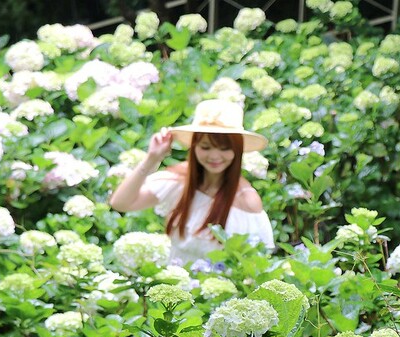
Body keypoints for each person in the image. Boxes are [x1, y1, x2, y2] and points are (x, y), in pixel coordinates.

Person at [109, 99, 275, 265]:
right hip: (172, 281)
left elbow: (256, 262)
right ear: (194, 147)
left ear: (237, 151)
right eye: (205, 147)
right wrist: (152, 158)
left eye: (225, 148)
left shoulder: (245, 201)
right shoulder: (181, 179)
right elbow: (121, 203)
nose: (215, 156)